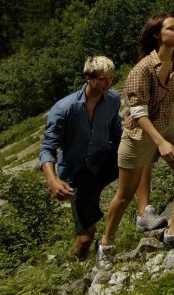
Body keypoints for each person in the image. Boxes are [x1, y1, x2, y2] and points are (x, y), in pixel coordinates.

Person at [98, 14, 174, 267]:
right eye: (171, 28)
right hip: (139, 136)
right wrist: (160, 143)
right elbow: (138, 113)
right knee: (125, 194)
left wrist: (166, 136)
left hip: (166, 127)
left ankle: (173, 231)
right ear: (157, 34)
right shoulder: (141, 69)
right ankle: (105, 245)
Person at [38, 56, 122, 260]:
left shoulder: (112, 100)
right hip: (78, 171)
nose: (108, 84)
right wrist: (52, 180)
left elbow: (117, 134)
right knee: (85, 237)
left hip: (103, 161)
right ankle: (74, 268)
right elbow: (48, 148)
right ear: (88, 78)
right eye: (103, 79)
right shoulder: (64, 110)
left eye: (110, 78)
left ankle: (145, 214)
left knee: (141, 161)